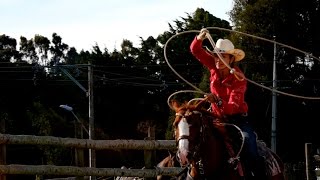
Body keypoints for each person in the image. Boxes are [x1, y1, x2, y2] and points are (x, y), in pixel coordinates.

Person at [189, 28, 266, 179]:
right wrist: (199, 38)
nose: (218, 60)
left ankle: (258, 175)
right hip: (215, 116)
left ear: (231, 59)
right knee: (193, 133)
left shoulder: (239, 79)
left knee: (249, 142)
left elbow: (233, 107)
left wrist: (217, 100)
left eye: (222, 56)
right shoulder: (213, 65)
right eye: (216, 56)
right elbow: (195, 51)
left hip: (237, 119)